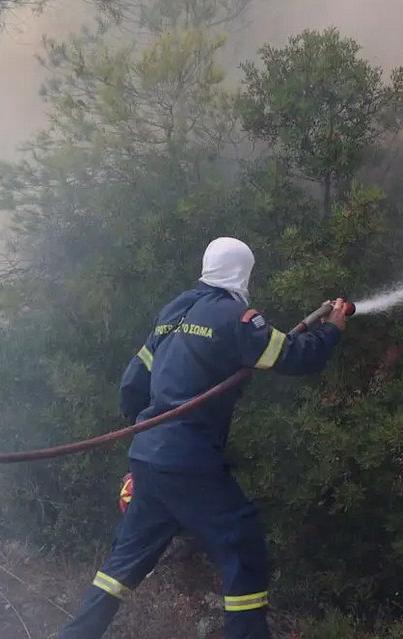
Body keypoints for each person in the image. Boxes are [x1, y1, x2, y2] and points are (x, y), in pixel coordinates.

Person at [58, 237, 348, 639]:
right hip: (188, 462)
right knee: (241, 544)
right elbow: (298, 356)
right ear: (244, 272)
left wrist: (150, 437)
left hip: (148, 456)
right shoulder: (237, 318)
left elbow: (133, 384)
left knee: (121, 566)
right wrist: (333, 328)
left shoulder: (173, 311)